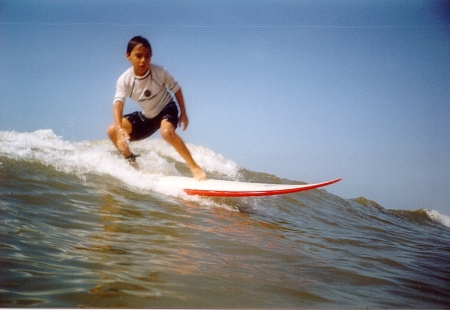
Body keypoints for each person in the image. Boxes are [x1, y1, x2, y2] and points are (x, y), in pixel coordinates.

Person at [107, 36, 206, 180]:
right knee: (112, 131)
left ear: (151, 56)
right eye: (138, 56)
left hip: (167, 108)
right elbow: (118, 103)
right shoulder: (124, 80)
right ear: (128, 56)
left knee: (166, 133)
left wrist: (183, 113)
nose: (143, 60)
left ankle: (195, 168)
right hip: (148, 117)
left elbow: (176, 89)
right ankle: (132, 162)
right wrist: (120, 129)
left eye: (147, 56)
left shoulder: (159, 72)